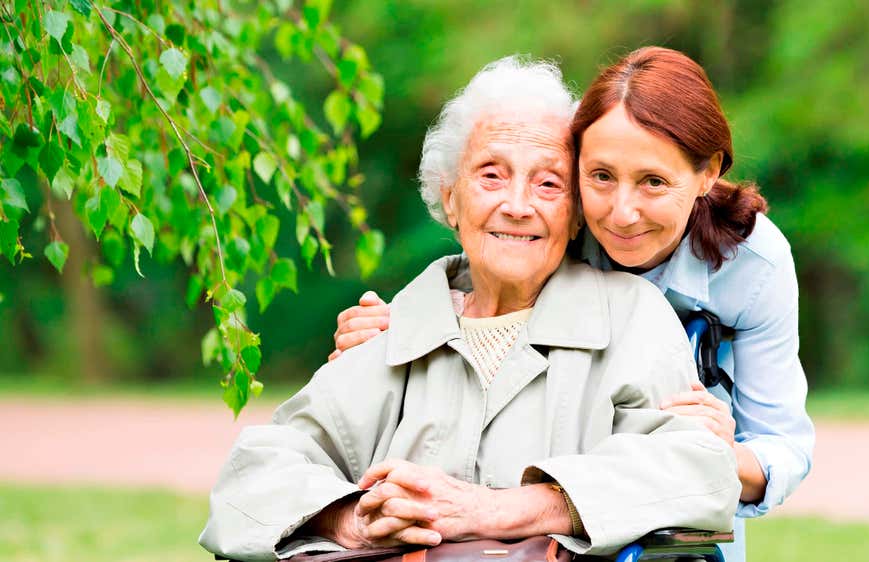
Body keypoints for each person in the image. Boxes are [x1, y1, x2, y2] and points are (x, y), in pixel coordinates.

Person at [199, 56, 740, 562]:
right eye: (491, 174)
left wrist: (498, 510)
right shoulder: (395, 328)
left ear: (576, 213)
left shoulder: (630, 316)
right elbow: (255, 475)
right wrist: (351, 520)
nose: (518, 205)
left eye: (548, 183)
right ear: (450, 198)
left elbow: (698, 469)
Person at [328, 47, 814, 561]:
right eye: (601, 176)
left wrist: (719, 454)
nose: (621, 214)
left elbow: (783, 447)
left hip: (674, 495)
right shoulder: (554, 221)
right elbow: (485, 282)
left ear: (707, 172)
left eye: (653, 182)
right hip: (557, 491)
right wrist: (394, 328)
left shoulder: (753, 264)